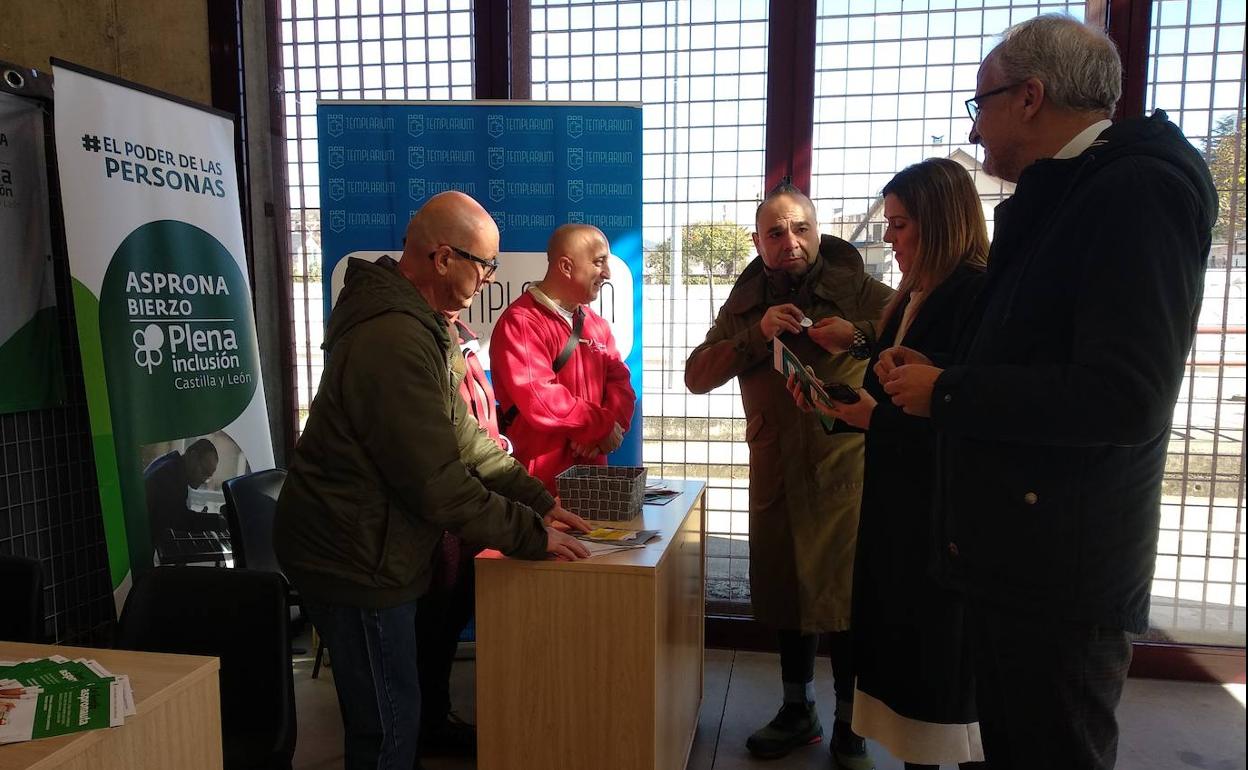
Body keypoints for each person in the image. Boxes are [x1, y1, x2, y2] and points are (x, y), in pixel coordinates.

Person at [881, 15, 1217, 770]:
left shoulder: (1135, 191)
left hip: (1062, 573)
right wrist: (939, 368)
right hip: (1021, 559)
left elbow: (1126, 397)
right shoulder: (1069, 190)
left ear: (1029, 96)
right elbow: (1035, 344)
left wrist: (950, 393)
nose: (975, 132)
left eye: (981, 105)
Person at [274, 191, 592, 770]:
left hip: (374, 544)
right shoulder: (393, 338)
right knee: (388, 728)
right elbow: (437, 481)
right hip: (353, 557)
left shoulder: (423, 325)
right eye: (484, 264)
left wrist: (537, 500)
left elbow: (465, 438)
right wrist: (530, 533)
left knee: (400, 711)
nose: (490, 276)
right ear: (442, 258)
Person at [789, 158, 989, 769]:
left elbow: (964, 414)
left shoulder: (975, 292)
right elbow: (892, 376)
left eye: (901, 225)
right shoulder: (918, 292)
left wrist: (876, 416)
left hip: (940, 516)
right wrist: (843, 381)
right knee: (909, 684)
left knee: (945, 687)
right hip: (898, 504)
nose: (890, 238)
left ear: (940, 223)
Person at [685, 182, 893, 768]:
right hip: (775, 469)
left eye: (800, 228)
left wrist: (855, 334)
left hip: (846, 476)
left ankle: (852, 721)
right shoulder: (747, 301)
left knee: (846, 602)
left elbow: (917, 332)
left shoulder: (859, 288)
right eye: (774, 233)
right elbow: (697, 375)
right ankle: (797, 710)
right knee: (785, 592)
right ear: (757, 241)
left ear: (818, 230)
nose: (789, 242)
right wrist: (757, 335)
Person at [414, 308, 507, 757]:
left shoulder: (459, 334)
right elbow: (439, 448)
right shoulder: (407, 341)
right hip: (445, 510)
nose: (487, 279)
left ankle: (434, 717)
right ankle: (426, 724)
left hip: (472, 497)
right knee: (433, 622)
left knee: (448, 621)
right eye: (483, 265)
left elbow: (473, 426)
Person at [490, 223, 636, 493]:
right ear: (566, 267)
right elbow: (540, 398)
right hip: (541, 488)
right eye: (599, 262)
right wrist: (598, 426)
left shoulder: (596, 324)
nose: (607, 273)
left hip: (593, 482)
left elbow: (622, 385)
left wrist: (604, 433)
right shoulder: (521, 322)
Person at [142, 437, 222, 546]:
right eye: (204, 471)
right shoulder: (170, 474)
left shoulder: (170, 463)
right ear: (193, 456)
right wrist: (218, 521)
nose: (204, 480)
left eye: (208, 477)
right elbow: (181, 520)